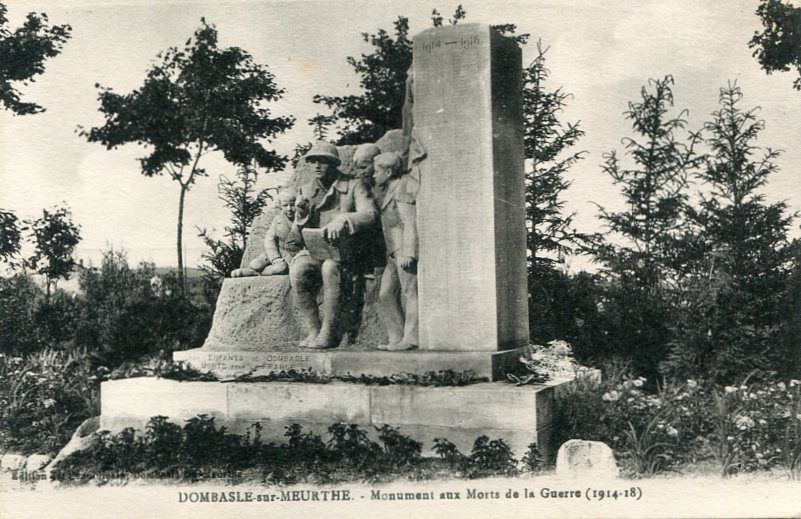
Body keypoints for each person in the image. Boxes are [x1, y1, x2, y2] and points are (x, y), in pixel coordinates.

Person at [290, 141, 379, 349]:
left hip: (348, 253)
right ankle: (314, 329)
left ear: (334, 164)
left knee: (331, 268)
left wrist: (345, 219)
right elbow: (294, 240)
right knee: (299, 270)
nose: (317, 166)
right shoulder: (306, 191)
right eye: (313, 162)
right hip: (318, 250)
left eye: (323, 161)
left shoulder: (354, 185)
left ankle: (328, 333)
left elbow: (371, 215)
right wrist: (301, 216)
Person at [372, 151, 419, 351]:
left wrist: (409, 252)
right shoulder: (389, 189)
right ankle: (397, 337)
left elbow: (409, 222)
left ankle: (412, 338)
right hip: (393, 251)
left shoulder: (402, 189)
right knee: (385, 293)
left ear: (388, 171)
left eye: (377, 172)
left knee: (411, 292)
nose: (374, 176)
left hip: (402, 250)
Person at [231, 187, 302, 277]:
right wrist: (275, 257)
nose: (289, 209)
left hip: (290, 256)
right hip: (276, 252)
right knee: (255, 264)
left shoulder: (301, 220)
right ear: (280, 205)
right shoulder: (278, 220)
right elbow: (270, 239)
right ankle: (253, 270)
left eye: (292, 205)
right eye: (285, 205)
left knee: (281, 268)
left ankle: (258, 274)